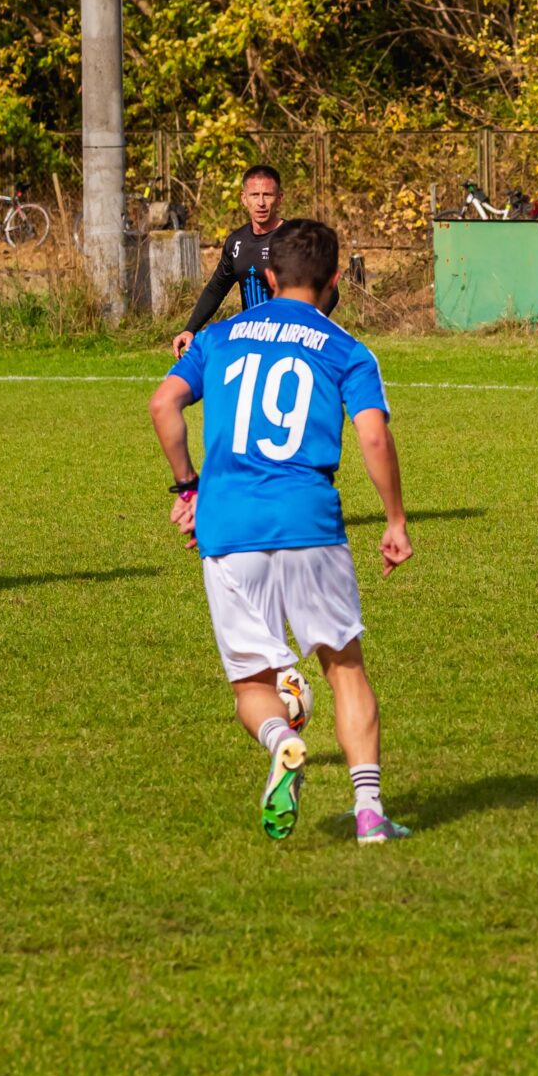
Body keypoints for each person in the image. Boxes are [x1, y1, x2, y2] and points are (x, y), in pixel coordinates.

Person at [148, 218, 415, 844]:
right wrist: (395, 519)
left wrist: (189, 487)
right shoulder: (347, 349)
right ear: (334, 279)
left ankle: (281, 741)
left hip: (229, 526)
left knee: (253, 685)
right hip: (309, 522)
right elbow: (373, 436)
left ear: (268, 277)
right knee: (344, 669)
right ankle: (369, 813)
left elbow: (162, 405)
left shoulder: (218, 337)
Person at [170, 163, 337, 358]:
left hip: (291, 345)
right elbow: (217, 288)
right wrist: (190, 329)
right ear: (244, 199)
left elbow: (330, 292)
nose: (261, 203)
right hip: (252, 344)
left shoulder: (295, 240)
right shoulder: (236, 242)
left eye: (267, 195)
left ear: (280, 198)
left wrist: (304, 328)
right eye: (255, 195)